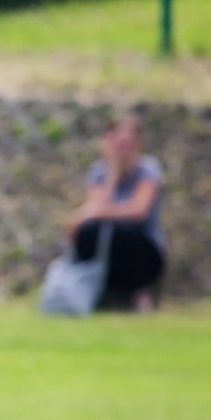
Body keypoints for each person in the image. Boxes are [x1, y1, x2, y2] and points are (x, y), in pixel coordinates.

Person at [66, 116, 166, 311]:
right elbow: (94, 210)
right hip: (107, 244)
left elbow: (138, 211)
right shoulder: (100, 172)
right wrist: (113, 172)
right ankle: (97, 289)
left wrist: (101, 212)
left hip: (141, 244)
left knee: (125, 234)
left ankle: (140, 293)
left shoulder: (148, 169)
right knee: (88, 232)